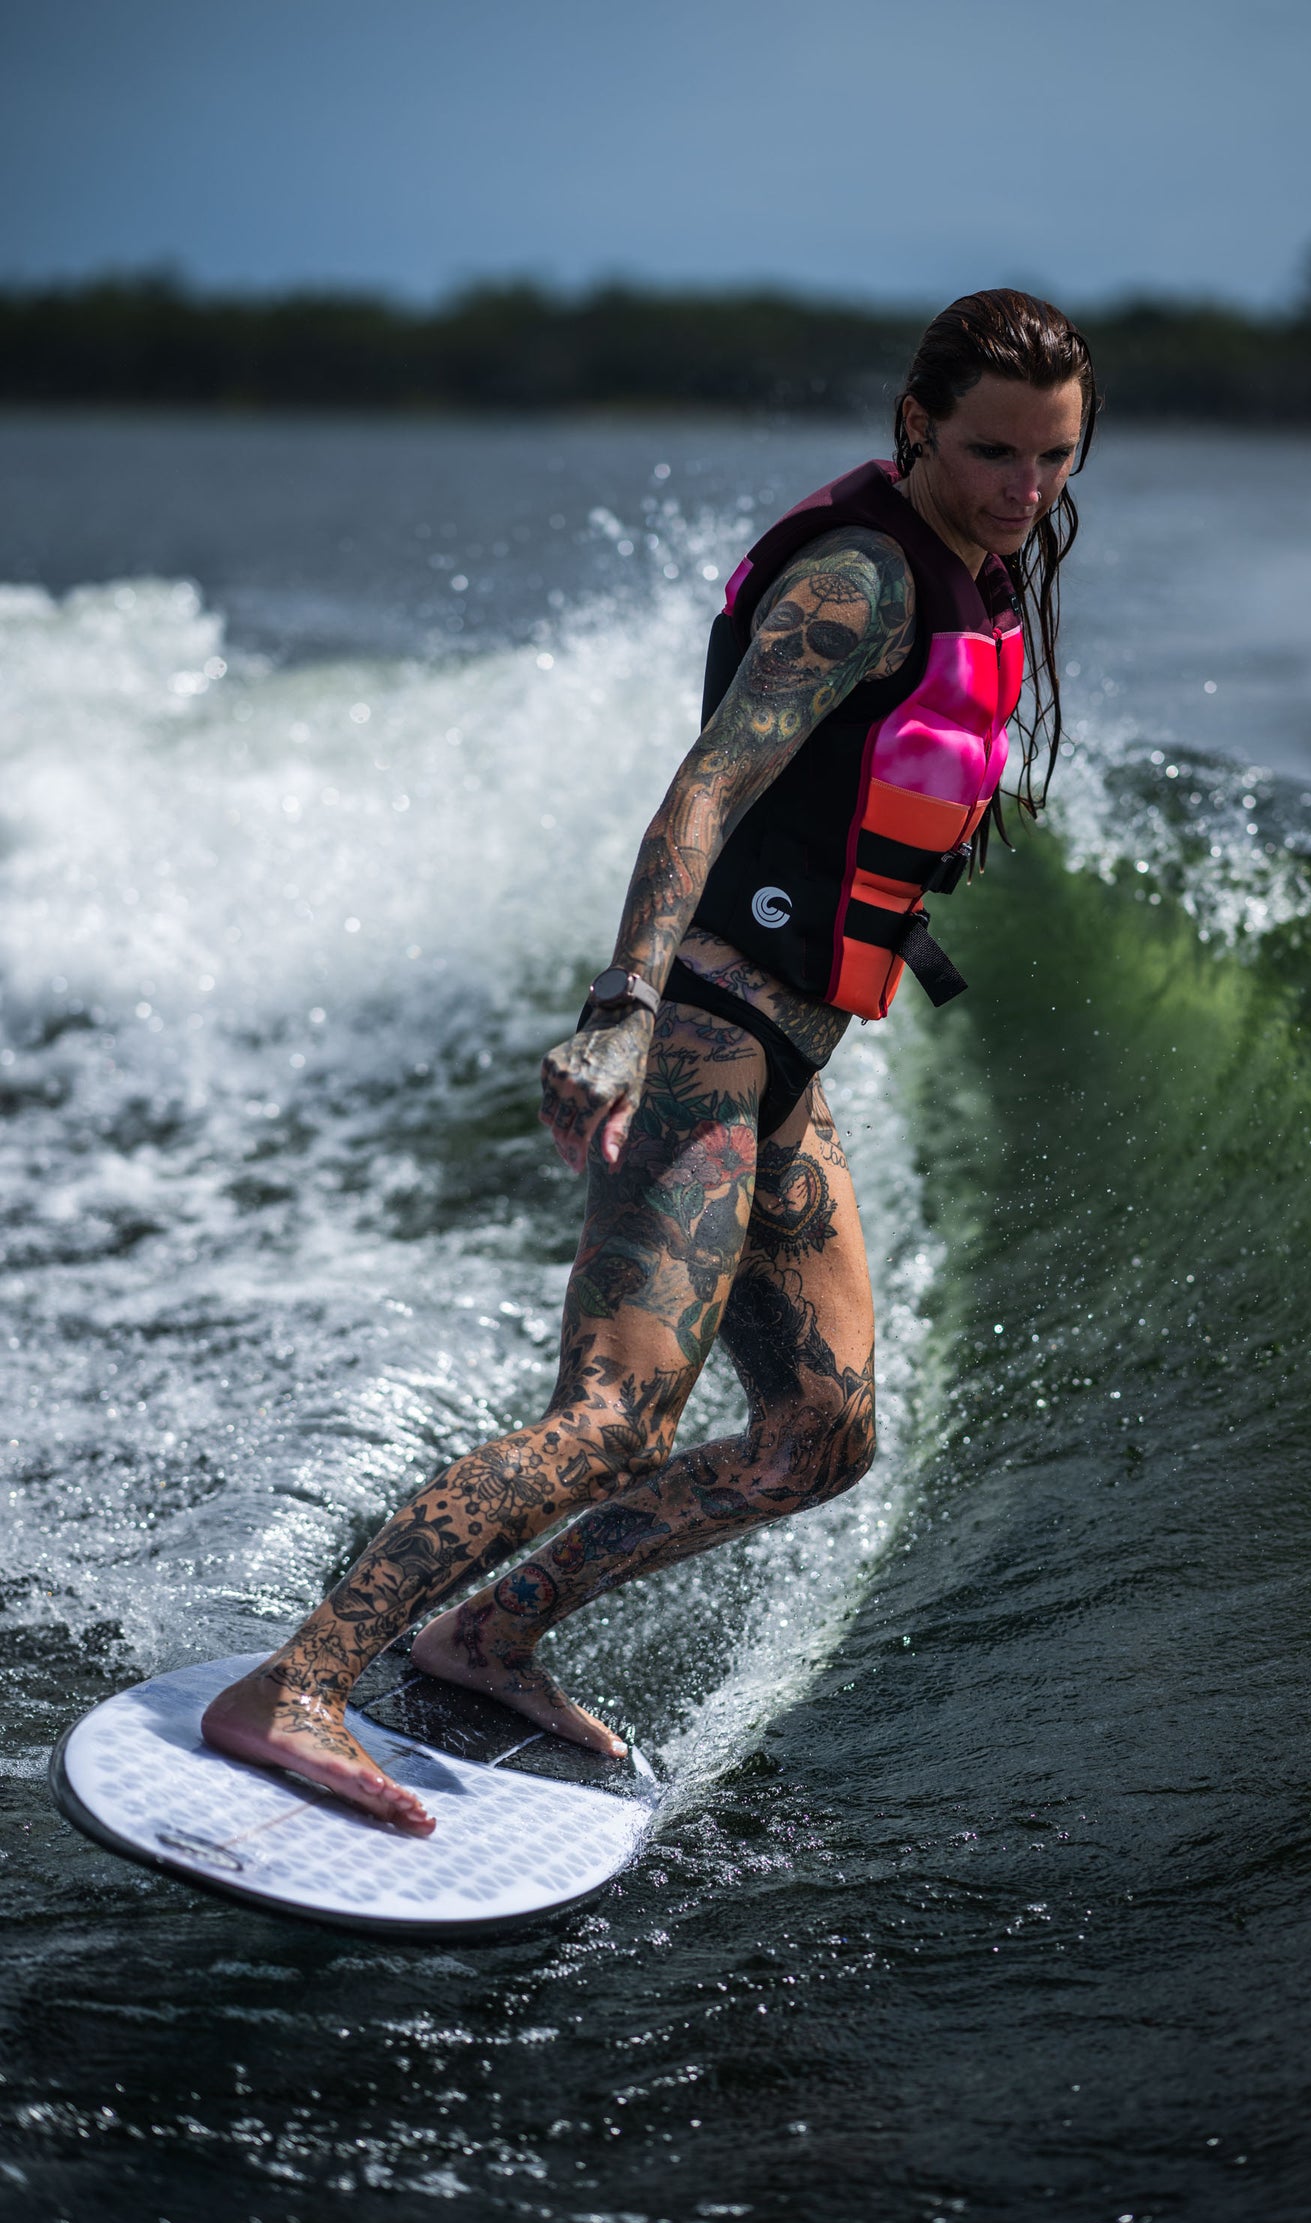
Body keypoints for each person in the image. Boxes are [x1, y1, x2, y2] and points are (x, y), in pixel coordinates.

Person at [203, 289, 1098, 1833]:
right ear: (915, 426)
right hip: (700, 1033)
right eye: (992, 451)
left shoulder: (985, 566)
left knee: (823, 1435)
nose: (1025, 488)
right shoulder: (862, 581)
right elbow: (703, 790)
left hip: (786, 1057)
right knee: (617, 1414)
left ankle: (486, 1634)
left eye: (1055, 456)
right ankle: (297, 1680)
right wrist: (621, 1008)